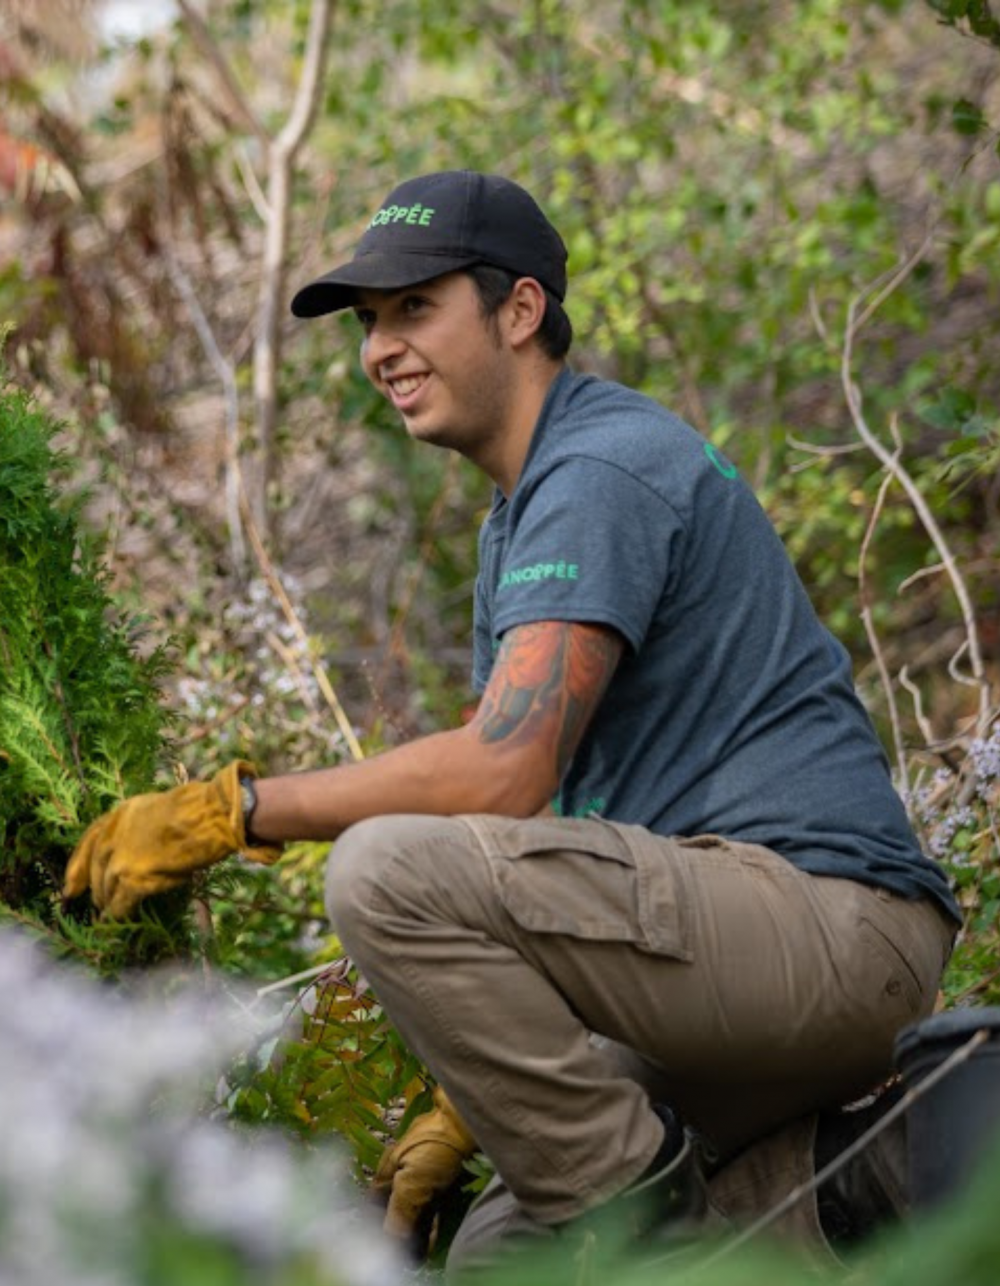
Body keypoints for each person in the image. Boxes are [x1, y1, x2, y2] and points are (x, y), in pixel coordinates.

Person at [64, 169, 960, 1271]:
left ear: (520, 309)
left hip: (826, 928)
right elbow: (581, 876)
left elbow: (503, 774)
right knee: (501, 1250)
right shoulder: (529, 504)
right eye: (368, 324)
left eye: (413, 308)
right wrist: (481, 1101)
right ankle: (853, 1189)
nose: (379, 349)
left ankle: (655, 1221)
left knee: (383, 871)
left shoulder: (599, 467)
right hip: (730, 970)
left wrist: (233, 810)